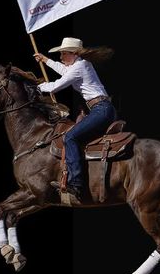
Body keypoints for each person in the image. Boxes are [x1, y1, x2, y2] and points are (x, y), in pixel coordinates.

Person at [32, 37, 116, 201]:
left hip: (101, 110)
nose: (61, 57)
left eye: (63, 54)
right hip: (103, 109)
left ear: (74, 53)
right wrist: (46, 60)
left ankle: (76, 183)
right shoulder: (81, 65)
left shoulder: (80, 67)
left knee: (69, 137)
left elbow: (56, 86)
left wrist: (35, 87)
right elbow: (64, 71)